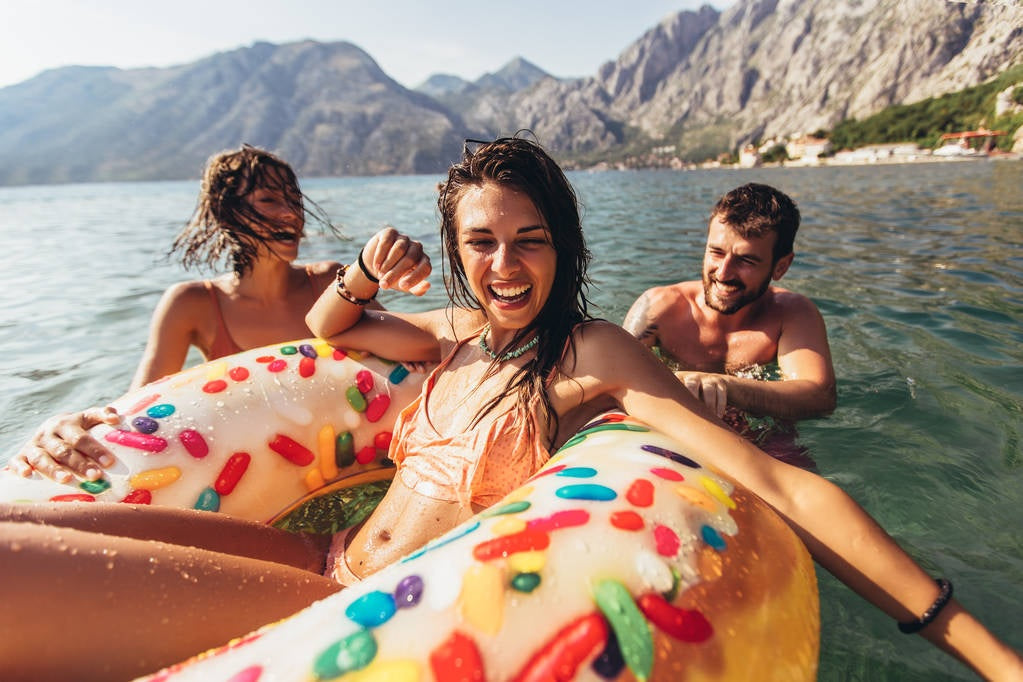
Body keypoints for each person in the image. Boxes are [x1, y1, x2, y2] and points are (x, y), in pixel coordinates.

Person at [1, 137, 1019, 681]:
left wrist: (972, 640)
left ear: (563, 242)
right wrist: (363, 272)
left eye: (527, 237)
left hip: (351, 610)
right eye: (481, 241)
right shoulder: (451, 330)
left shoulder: (593, 351)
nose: (504, 264)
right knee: (23, 523)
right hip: (319, 557)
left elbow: (773, 480)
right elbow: (327, 332)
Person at [9, 144, 387, 483]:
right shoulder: (192, 304)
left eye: (295, 199)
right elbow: (136, 410)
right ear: (225, 214)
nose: (290, 214)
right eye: (270, 200)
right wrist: (74, 423)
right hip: (254, 479)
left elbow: (406, 361)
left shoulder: (330, 285)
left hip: (351, 465)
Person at [623, 183, 835, 466]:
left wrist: (726, 388)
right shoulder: (660, 308)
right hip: (673, 427)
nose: (723, 273)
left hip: (760, 438)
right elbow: (617, 377)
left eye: (746, 260)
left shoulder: (791, 314)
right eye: (716, 252)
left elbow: (818, 396)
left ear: (781, 267)